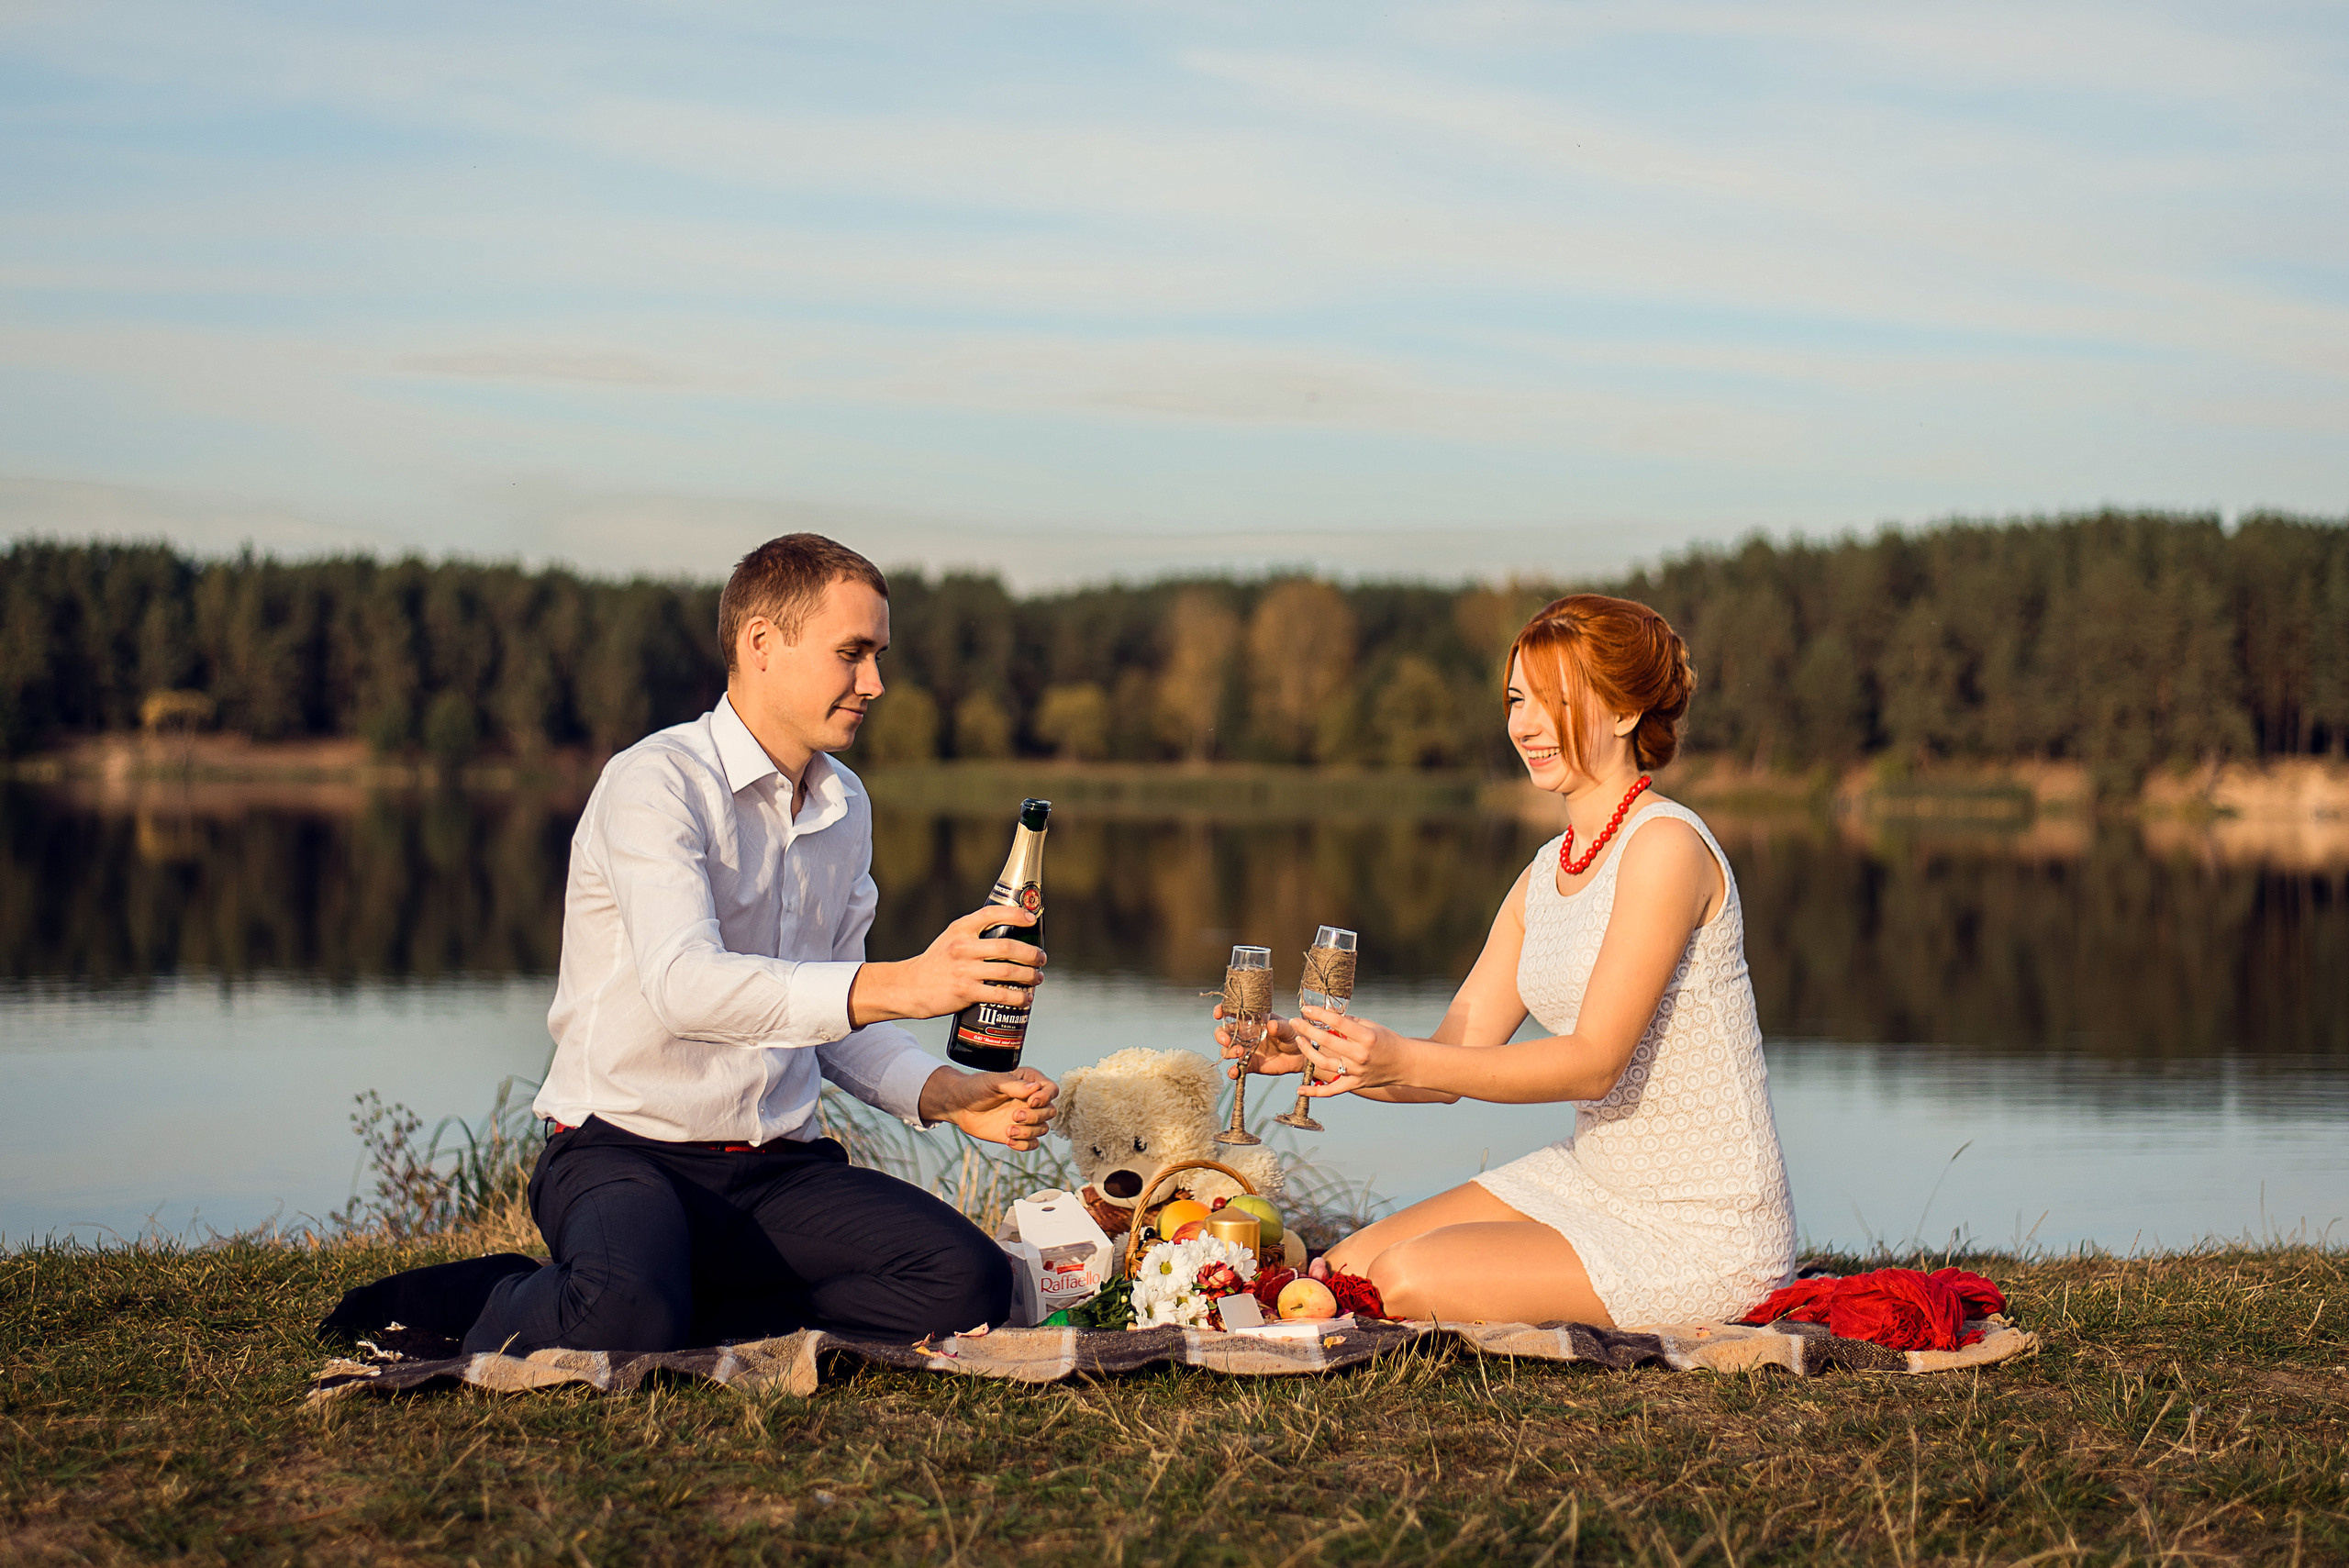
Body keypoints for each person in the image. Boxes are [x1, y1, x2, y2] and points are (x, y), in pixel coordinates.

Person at [462, 534, 1055, 1355]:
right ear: (762, 643)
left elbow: (834, 1019)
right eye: (852, 653)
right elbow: (686, 985)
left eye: (878, 657)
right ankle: (497, 1300)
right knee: (620, 1314)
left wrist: (946, 1093)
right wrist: (906, 983)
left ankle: (672, 1301)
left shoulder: (846, 805)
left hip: (778, 1169)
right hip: (623, 1151)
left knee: (968, 1285)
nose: (875, 683)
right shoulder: (656, 781)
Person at [1221, 595, 1794, 1327]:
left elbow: (1594, 1063)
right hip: (1591, 1180)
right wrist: (1312, 1053)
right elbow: (1448, 1061)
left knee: (1400, 1278)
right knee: (1344, 1268)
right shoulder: (1543, 875)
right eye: (1518, 699)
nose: (1526, 724)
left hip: (1703, 1230)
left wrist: (1402, 1056)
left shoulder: (1666, 847)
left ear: (1625, 711)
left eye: (1555, 700)